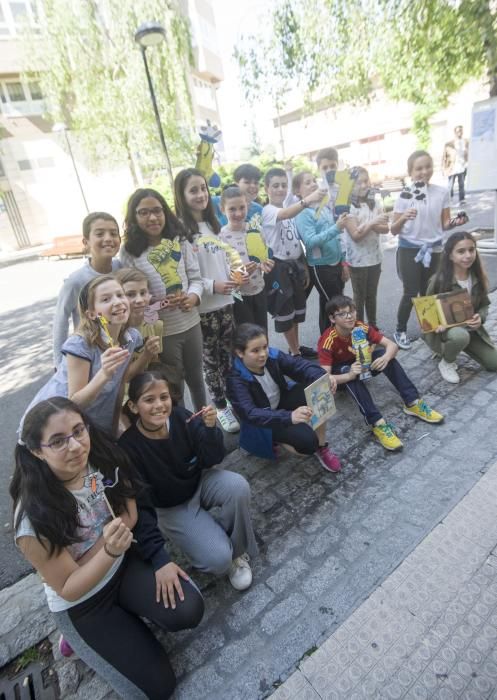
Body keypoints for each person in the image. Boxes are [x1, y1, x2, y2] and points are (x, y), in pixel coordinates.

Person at [12, 397, 204, 699]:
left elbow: (128, 512)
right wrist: (109, 549)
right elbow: (68, 586)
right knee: (157, 688)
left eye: (78, 431)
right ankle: (80, 638)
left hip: (122, 567)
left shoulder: (97, 461)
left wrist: (103, 552)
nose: (75, 446)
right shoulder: (34, 518)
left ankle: (123, 620)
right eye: (58, 441)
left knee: (189, 609)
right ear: (37, 451)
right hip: (85, 604)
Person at [118, 371, 257, 590]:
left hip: (199, 482)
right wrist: (156, 554)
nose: (159, 405)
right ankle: (217, 546)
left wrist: (210, 430)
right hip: (170, 506)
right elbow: (140, 505)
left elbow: (213, 458)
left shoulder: (182, 417)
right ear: (134, 407)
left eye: (163, 397)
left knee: (238, 486)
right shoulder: (128, 448)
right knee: (218, 561)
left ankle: (237, 551)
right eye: (149, 399)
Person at [21, 275, 159, 437]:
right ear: (92, 314)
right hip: (54, 422)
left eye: (120, 295)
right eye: (106, 299)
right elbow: (74, 402)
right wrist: (104, 374)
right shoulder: (81, 345)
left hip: (94, 420)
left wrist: (146, 355)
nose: (117, 301)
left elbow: (121, 380)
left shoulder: (131, 337)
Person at [317, 295, 444, 451]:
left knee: (385, 355)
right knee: (350, 375)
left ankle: (412, 402)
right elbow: (323, 379)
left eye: (352, 311)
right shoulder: (327, 340)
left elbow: (392, 345)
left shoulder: (360, 327)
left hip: (362, 365)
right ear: (332, 318)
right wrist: (349, 375)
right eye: (342, 314)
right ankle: (377, 423)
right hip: (342, 377)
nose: (349, 317)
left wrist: (385, 357)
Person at [120, 188, 207, 412]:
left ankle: (204, 423)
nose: (152, 217)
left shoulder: (179, 239)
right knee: (172, 385)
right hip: (161, 332)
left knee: (197, 380)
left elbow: (195, 277)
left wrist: (193, 297)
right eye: (143, 212)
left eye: (157, 210)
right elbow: (132, 296)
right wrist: (155, 302)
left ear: (165, 212)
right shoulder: (130, 252)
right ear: (134, 217)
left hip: (190, 323)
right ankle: (180, 427)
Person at [174, 167, 241, 433]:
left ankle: (234, 400)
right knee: (210, 362)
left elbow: (222, 259)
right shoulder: (180, 231)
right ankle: (221, 407)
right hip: (202, 309)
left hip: (226, 304)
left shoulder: (213, 224)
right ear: (181, 195)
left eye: (203, 188)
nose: (201, 194)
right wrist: (214, 285)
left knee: (228, 358)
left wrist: (237, 276)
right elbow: (188, 274)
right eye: (193, 190)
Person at [226, 323, 341, 472]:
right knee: (307, 444)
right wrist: (289, 417)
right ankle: (276, 438)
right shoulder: (235, 380)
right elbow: (250, 413)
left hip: (281, 401)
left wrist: (323, 377)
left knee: (319, 389)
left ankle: (322, 447)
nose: (263, 354)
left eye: (264, 347)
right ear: (240, 353)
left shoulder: (272, 355)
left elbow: (300, 366)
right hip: (265, 419)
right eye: (255, 351)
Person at [391, 150, 468, 350]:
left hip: (434, 250)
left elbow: (444, 224)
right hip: (410, 249)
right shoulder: (404, 194)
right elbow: (393, 229)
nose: (424, 171)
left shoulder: (441, 192)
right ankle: (400, 330)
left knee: (430, 291)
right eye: (419, 168)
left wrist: (457, 221)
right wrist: (403, 217)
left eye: (427, 167)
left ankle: (430, 329)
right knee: (411, 292)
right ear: (410, 172)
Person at [261, 167, 324, 357]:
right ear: (267, 189)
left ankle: (294, 348)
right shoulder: (268, 210)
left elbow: (296, 240)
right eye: (275, 186)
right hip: (279, 268)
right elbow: (286, 214)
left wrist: (303, 266)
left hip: (296, 264)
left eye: (283, 185)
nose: (280, 189)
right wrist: (308, 199)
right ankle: (296, 355)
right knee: (286, 313)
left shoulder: (288, 207)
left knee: (296, 311)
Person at [425, 231, 497, 383]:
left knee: (494, 363)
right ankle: (446, 361)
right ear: (450, 255)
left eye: (471, 250)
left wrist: (480, 317)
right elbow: (427, 313)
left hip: (471, 330)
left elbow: (484, 305)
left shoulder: (477, 276)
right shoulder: (439, 280)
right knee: (459, 336)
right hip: (449, 332)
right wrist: (436, 325)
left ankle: (456, 346)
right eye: (461, 251)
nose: (468, 255)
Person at [52, 212, 122, 366]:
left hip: (121, 349)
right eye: (100, 234)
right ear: (86, 241)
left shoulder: (123, 269)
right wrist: (58, 363)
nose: (108, 238)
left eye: (113, 233)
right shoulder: (76, 280)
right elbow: (61, 320)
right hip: (90, 357)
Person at [293, 170, 348, 334]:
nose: (313, 184)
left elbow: (338, 238)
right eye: (307, 182)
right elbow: (309, 242)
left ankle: (327, 343)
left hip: (336, 262)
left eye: (314, 180)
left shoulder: (322, 207)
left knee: (329, 304)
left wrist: (343, 263)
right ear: (297, 191)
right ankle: (333, 343)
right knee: (335, 306)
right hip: (321, 267)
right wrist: (336, 227)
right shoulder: (302, 213)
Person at [219, 185, 274, 331]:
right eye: (232, 209)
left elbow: (264, 256)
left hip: (259, 289)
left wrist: (266, 264)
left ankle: (264, 354)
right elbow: (222, 272)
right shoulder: (220, 237)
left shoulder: (255, 230)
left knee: (262, 332)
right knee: (247, 337)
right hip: (238, 296)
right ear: (222, 210)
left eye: (242, 207)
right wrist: (238, 275)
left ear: (247, 206)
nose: (238, 213)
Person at [343, 167, 390, 326]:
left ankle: (374, 326)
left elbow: (386, 228)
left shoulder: (375, 203)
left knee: (371, 295)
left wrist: (369, 225)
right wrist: (373, 222)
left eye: (366, 181)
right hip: (357, 261)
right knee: (359, 297)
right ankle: (360, 329)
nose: (364, 185)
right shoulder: (348, 207)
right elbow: (355, 236)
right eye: (358, 182)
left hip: (375, 258)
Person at [116, 267, 164, 360]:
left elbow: (154, 363)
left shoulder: (155, 325)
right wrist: (146, 355)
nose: (139, 300)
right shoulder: (113, 331)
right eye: (130, 294)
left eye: (143, 293)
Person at [212, 163, 263, 227]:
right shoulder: (216, 202)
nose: (253, 186)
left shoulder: (259, 210)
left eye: (256, 183)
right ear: (236, 184)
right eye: (247, 182)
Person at [442, 126, 468, 204]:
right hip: (452, 167)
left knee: (461, 184)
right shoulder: (449, 144)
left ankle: (462, 199)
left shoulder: (466, 142)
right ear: (455, 133)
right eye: (458, 131)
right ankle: (449, 200)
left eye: (461, 131)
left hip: (462, 166)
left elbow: (468, 154)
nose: (459, 132)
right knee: (450, 186)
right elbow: (444, 157)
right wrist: (443, 168)